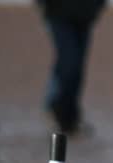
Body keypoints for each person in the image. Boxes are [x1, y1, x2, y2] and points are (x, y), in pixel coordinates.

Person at [36, 0, 106, 135]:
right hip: (58, 13)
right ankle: (58, 108)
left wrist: (97, 7)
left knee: (77, 67)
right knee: (69, 62)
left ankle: (71, 116)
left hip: (85, 15)